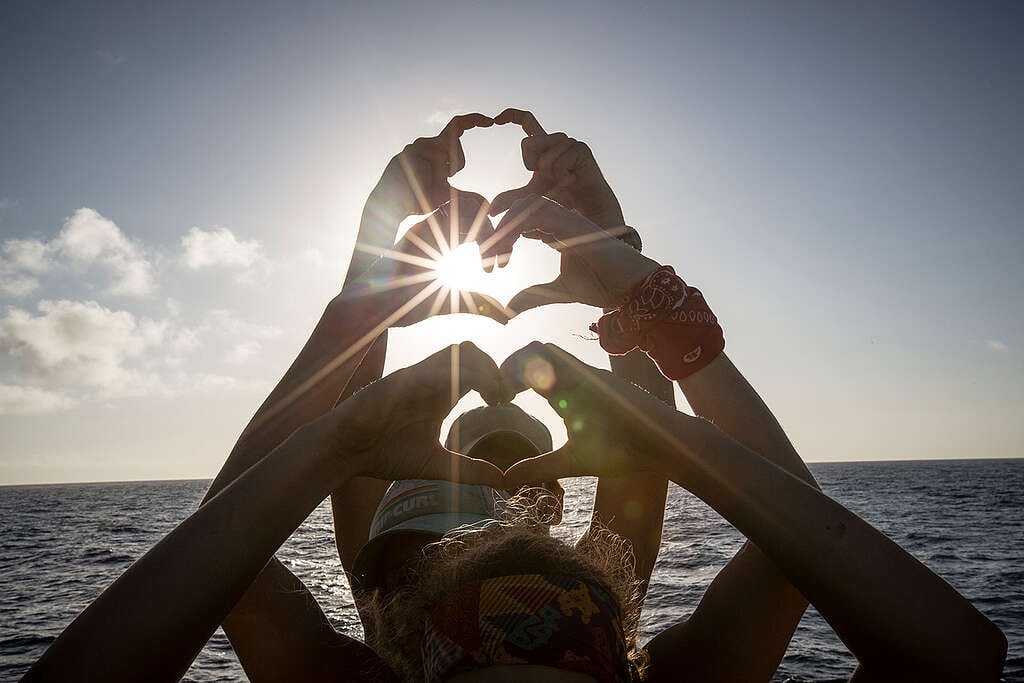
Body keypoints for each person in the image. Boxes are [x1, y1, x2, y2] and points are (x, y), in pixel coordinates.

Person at [23, 111, 1008, 682]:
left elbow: (222, 551)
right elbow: (805, 558)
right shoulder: (621, 637)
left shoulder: (375, 653)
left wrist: (357, 324)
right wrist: (638, 297)